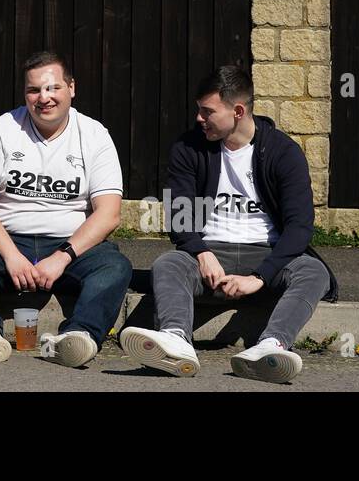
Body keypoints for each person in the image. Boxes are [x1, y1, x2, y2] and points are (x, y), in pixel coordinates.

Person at [120, 65, 339, 383]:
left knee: (314, 271)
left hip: (267, 254)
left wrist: (260, 277)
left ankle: (270, 347)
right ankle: (176, 341)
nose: (199, 118)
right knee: (169, 263)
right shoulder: (188, 148)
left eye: (207, 111)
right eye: (199, 110)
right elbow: (181, 218)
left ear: (238, 111)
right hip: (211, 255)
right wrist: (200, 251)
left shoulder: (283, 152)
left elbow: (300, 227)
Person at [0, 51, 132, 368]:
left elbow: (108, 214)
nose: (44, 98)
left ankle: (79, 337)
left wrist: (62, 256)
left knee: (115, 266)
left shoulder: (95, 135)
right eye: (34, 90)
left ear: (71, 88)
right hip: (8, 239)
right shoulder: (3, 128)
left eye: (53, 88)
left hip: (69, 244)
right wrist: (11, 255)